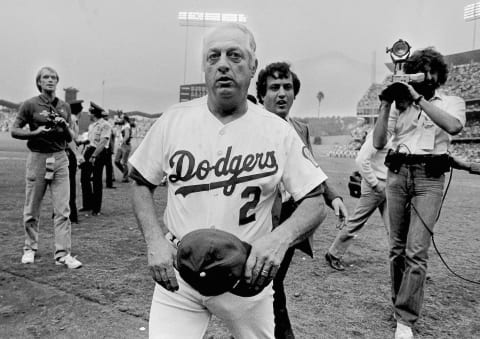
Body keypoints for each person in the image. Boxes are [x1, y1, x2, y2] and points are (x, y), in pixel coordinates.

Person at [129, 23, 329, 339]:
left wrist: (280, 239)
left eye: (235, 55)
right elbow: (140, 181)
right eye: (213, 57)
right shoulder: (174, 120)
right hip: (180, 276)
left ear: (253, 67)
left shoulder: (276, 131)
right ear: (204, 68)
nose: (223, 63)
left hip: (247, 277)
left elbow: (315, 201)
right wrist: (154, 240)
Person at [373, 47, 465, 339]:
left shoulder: (451, 101)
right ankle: (399, 305)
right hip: (398, 172)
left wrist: (418, 98)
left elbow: (453, 126)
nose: (426, 77)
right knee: (396, 248)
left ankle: (405, 319)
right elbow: (377, 143)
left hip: (430, 176)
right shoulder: (400, 104)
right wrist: (386, 103)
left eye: (430, 72)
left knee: (417, 250)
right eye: (420, 72)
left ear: (439, 75)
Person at [255, 61, 347, 339]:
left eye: (287, 87)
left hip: (291, 217)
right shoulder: (250, 126)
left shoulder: (300, 128)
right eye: (273, 88)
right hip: (258, 216)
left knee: (271, 280)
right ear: (261, 96)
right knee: (267, 281)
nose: (281, 93)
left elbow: (312, 169)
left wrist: (334, 198)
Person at [10, 66, 82, 269]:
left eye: (53, 77)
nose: (50, 80)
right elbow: (14, 130)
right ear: (39, 82)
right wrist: (35, 132)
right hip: (38, 157)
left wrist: (64, 126)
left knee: (63, 209)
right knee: (32, 207)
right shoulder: (30, 105)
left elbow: (71, 138)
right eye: (45, 77)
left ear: (57, 82)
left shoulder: (64, 106)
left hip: (60, 158)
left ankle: (63, 253)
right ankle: (29, 248)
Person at [326, 129, 391, 271]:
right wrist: (374, 183)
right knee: (357, 221)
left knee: (394, 227)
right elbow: (361, 160)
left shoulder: (397, 132)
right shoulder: (379, 133)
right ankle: (333, 254)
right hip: (375, 186)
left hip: (390, 185)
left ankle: (407, 266)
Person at [79, 102, 111, 216]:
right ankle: (87, 204)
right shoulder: (92, 126)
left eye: (90, 112)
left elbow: (103, 142)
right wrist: (83, 154)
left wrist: (94, 155)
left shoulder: (105, 125)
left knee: (96, 179)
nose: (89, 115)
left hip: (99, 152)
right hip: (90, 150)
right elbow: (90, 142)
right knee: (84, 178)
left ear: (94, 113)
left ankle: (96, 208)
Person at [67, 99, 85, 223]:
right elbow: (69, 139)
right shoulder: (72, 120)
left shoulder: (72, 119)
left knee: (66, 184)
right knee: (70, 185)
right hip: (70, 153)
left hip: (69, 152)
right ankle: (71, 214)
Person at [114, 112, 132, 183]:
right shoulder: (124, 125)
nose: (120, 119)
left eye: (121, 118)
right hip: (122, 145)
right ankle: (125, 174)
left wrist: (122, 142)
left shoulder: (127, 126)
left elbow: (127, 136)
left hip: (125, 145)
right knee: (116, 161)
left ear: (124, 119)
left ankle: (125, 177)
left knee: (124, 162)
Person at [103, 111, 116, 189]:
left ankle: (109, 182)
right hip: (106, 148)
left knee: (108, 166)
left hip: (107, 148)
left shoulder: (108, 125)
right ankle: (109, 183)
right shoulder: (108, 125)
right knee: (108, 166)